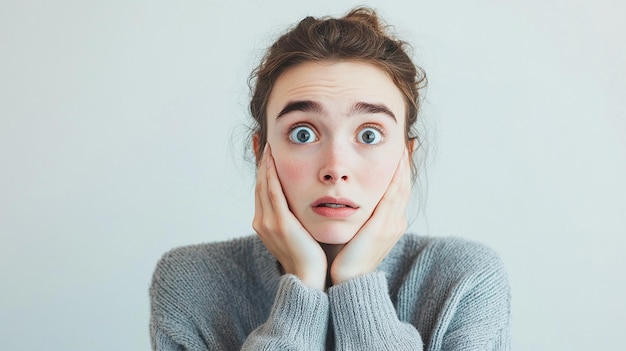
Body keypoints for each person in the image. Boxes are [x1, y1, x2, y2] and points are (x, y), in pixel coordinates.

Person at [150, 7, 511, 350]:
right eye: (303, 133)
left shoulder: (465, 280)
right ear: (262, 152)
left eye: (369, 134)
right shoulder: (190, 283)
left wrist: (355, 281)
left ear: (407, 154)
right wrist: (303, 285)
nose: (335, 168)